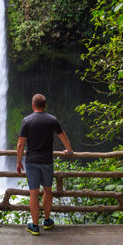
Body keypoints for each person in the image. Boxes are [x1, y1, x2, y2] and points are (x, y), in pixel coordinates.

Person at [16, 94, 73, 236]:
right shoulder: (52, 120)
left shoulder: (26, 120)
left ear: (32, 105)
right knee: (48, 190)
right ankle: (47, 221)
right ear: (44, 105)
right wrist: (70, 151)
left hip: (32, 162)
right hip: (47, 161)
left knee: (33, 193)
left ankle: (35, 226)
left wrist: (18, 162)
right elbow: (63, 136)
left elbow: (20, 143)